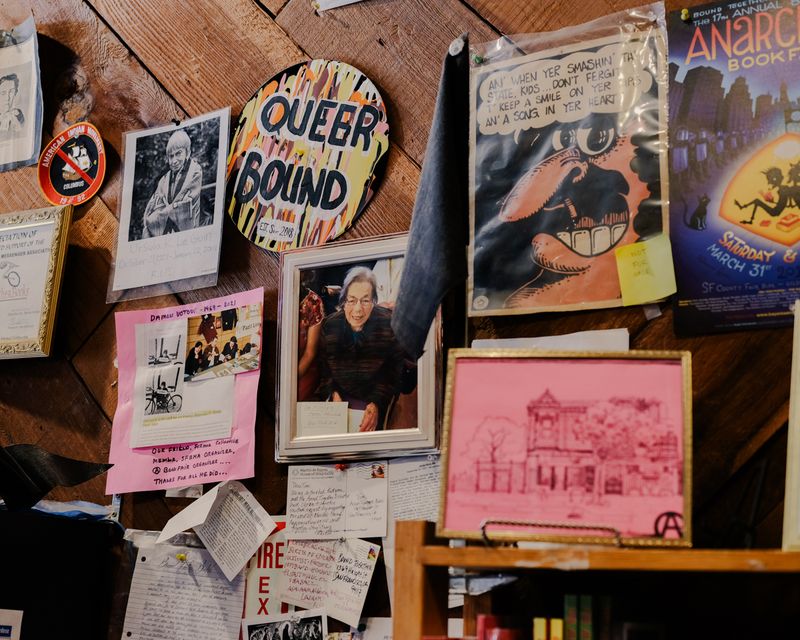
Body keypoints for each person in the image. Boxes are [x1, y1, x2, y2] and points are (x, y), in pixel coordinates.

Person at [316, 266, 404, 431]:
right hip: (340, 397)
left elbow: (394, 373)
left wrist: (377, 403)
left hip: (374, 394)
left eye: (365, 301)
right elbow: (325, 370)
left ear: (374, 301)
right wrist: (332, 393)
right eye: (351, 300)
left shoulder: (389, 324)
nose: (358, 309)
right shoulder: (330, 325)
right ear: (343, 301)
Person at [142, 129, 203, 238]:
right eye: (171, 156)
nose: (174, 161)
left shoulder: (195, 171)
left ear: (187, 153)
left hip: (189, 235)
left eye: (178, 153)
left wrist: (161, 214)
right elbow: (151, 210)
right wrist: (162, 213)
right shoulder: (164, 180)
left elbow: (185, 206)